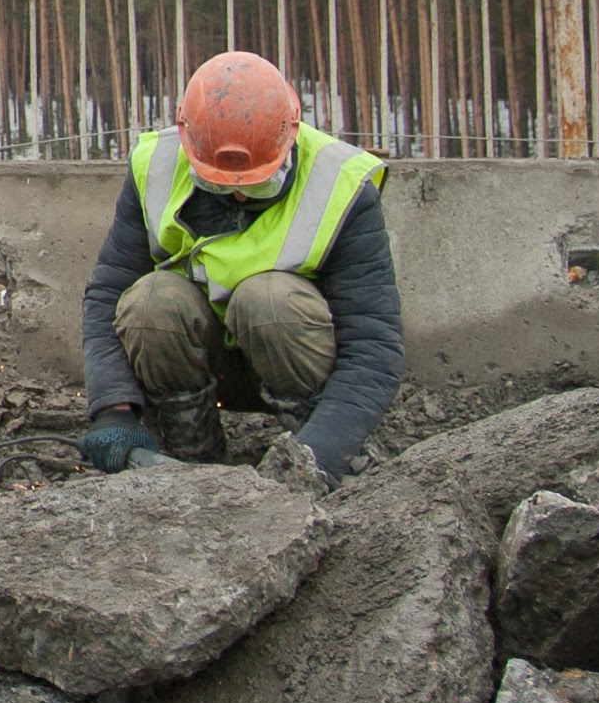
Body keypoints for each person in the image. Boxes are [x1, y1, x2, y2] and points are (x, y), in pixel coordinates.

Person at [76, 49, 404, 487]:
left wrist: (325, 453)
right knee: (152, 301)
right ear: (188, 138)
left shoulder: (341, 183)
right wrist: (114, 409)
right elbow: (108, 293)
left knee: (268, 300)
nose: (239, 196)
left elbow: (373, 342)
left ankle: (306, 441)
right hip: (201, 364)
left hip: (295, 358)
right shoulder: (155, 166)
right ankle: (190, 456)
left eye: (259, 184)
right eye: (215, 183)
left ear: (291, 134)